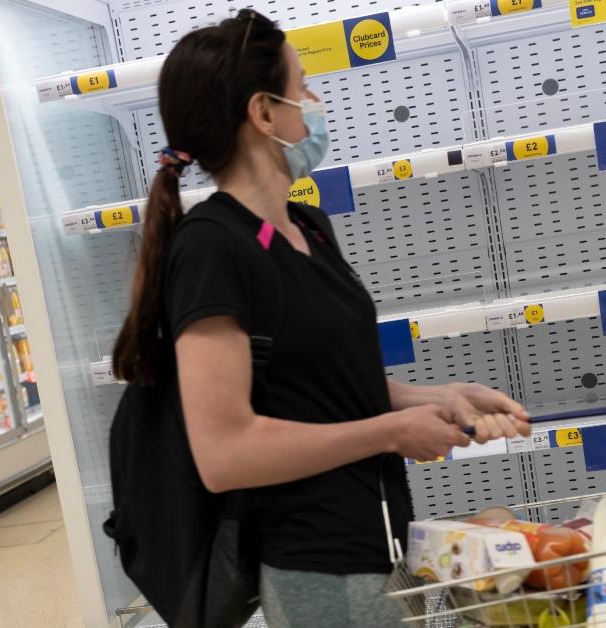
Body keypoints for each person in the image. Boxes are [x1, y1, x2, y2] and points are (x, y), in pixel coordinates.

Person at [111, 9, 532, 626]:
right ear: (262, 113)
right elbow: (224, 451)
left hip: (377, 535)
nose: (313, 102)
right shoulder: (210, 248)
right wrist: (391, 432)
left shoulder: (308, 226)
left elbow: (317, 387)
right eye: (302, 86)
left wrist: (438, 397)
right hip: (314, 563)